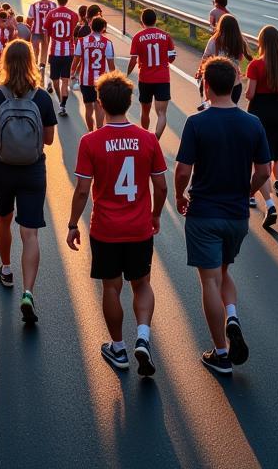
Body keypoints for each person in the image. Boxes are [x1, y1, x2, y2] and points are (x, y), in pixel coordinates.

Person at [174, 58, 271, 376]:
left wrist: (180, 194)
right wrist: (247, 192)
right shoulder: (253, 123)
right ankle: (232, 315)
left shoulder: (196, 122)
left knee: (209, 280)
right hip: (236, 215)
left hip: (204, 212)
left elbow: (183, 169)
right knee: (225, 271)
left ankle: (220, 353)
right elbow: (264, 171)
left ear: (206, 85)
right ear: (234, 86)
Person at [67, 72, 167, 376]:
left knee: (111, 288)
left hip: (106, 229)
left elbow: (83, 189)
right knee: (142, 284)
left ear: (100, 103)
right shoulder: (148, 139)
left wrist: (72, 223)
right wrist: (155, 215)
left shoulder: (90, 141)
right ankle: (143, 337)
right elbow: (161, 187)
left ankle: (119, 347)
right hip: (139, 228)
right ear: (130, 101)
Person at [0, 39, 57, 324]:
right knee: (31, 233)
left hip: (2, 168)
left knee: (4, 218)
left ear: (3, 62)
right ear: (31, 62)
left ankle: (6, 268)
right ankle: (28, 292)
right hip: (33, 170)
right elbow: (48, 139)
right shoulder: (41, 98)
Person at [246, 25, 278, 227]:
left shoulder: (256, 65)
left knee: (259, 157)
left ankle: (263, 200)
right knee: (277, 147)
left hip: (259, 111)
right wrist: (277, 93)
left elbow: (250, 94)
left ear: (261, 42)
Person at [127, 9, 177, 137]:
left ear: (142, 21)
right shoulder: (165, 36)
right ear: (155, 20)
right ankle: (156, 138)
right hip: (162, 79)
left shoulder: (138, 37)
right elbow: (171, 57)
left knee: (145, 112)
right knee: (162, 114)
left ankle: (145, 136)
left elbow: (133, 59)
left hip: (145, 79)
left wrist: (127, 74)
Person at [72, 16, 116, 131]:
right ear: (103, 28)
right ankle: (100, 130)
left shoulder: (82, 42)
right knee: (99, 106)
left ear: (90, 26)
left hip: (85, 79)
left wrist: (72, 73)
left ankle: (91, 132)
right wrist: (114, 79)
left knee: (88, 108)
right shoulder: (107, 43)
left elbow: (76, 60)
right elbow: (111, 66)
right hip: (101, 80)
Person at [198, 13, 250, 109]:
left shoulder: (214, 40)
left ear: (220, 25)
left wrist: (200, 72)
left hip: (217, 81)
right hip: (235, 82)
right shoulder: (240, 41)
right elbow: (245, 58)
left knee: (214, 109)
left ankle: (206, 106)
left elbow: (205, 58)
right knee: (231, 111)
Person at [42, 0, 79, 116]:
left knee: (55, 81)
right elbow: (74, 31)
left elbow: (45, 31)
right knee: (65, 80)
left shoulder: (51, 14)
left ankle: (60, 103)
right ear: (66, 0)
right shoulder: (74, 15)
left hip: (55, 52)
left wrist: (47, 44)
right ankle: (63, 105)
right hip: (69, 52)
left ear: (57, 0)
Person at [27, 0, 55, 83]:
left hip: (36, 30)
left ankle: (34, 69)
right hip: (47, 32)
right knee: (44, 50)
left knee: (35, 50)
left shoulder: (34, 5)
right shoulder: (53, 5)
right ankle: (42, 69)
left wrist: (30, 27)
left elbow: (29, 20)